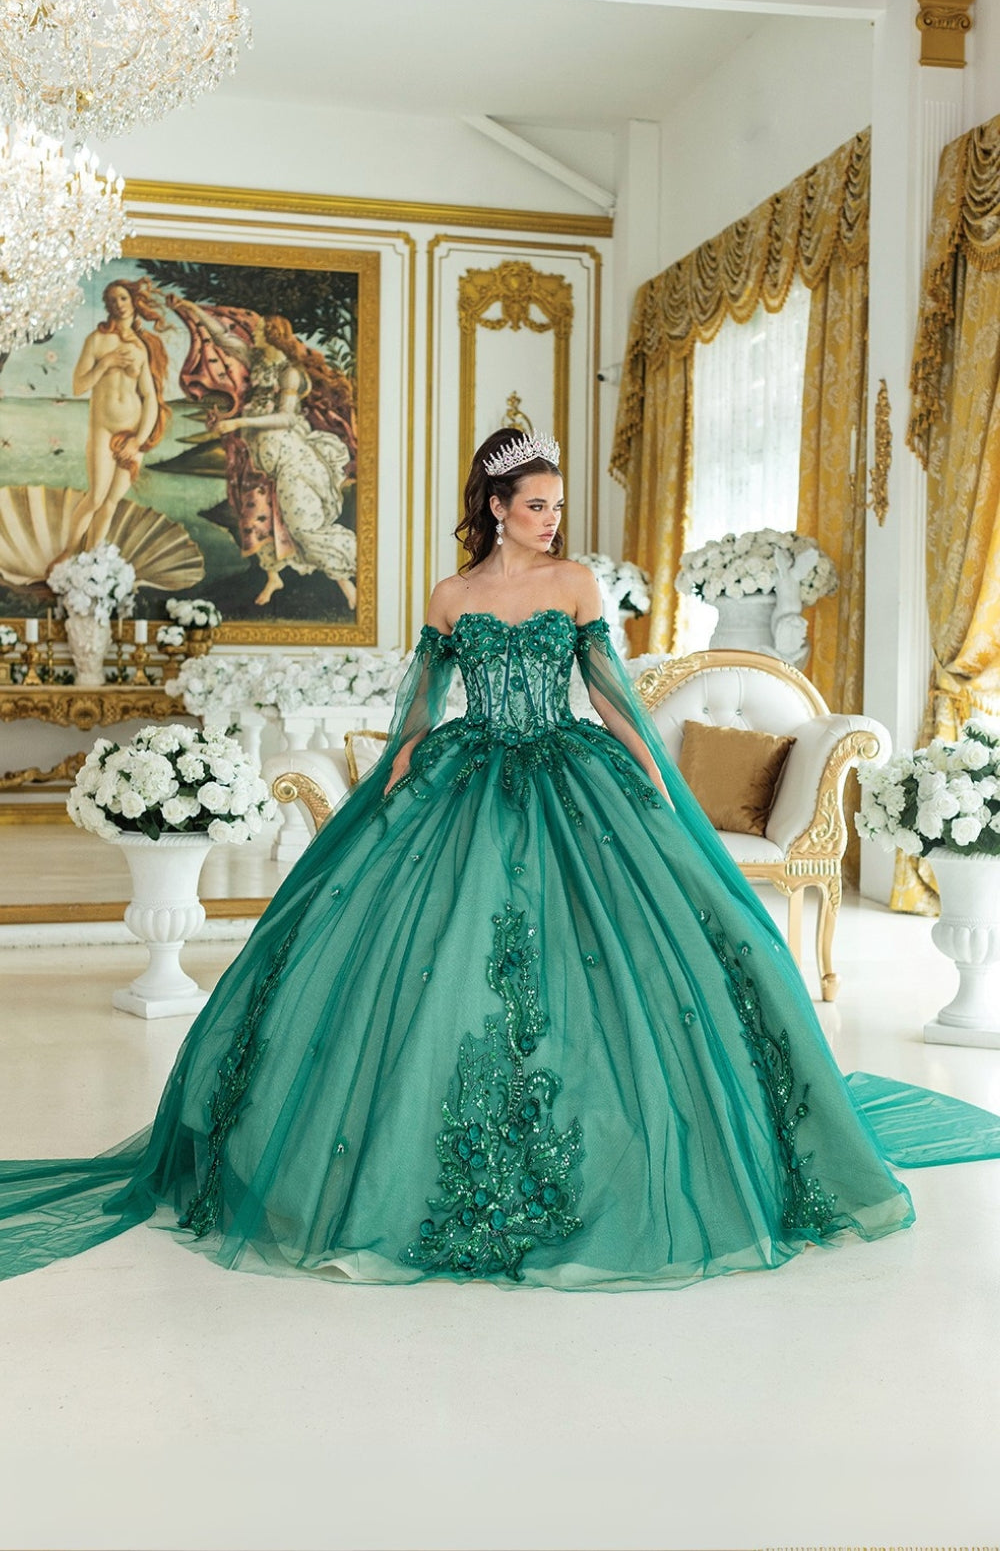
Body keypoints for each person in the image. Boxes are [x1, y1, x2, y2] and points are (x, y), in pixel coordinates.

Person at [2, 428, 999, 1289]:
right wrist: (388, 787)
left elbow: (607, 688)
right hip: (464, 774)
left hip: (573, 774)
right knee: (440, 963)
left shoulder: (573, 584)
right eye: (535, 506)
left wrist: (652, 771)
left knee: (607, 957)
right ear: (494, 506)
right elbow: (421, 707)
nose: (551, 521)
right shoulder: (449, 595)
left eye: (556, 506)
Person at [167, 297, 357, 609]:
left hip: (289, 458)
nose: (253, 334)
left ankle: (346, 585)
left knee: (302, 525)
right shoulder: (258, 361)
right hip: (259, 456)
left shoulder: (289, 373)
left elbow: (285, 418)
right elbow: (222, 338)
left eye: (260, 331)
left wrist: (239, 421)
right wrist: (191, 309)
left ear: (272, 334)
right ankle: (273, 576)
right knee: (255, 514)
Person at [63, 279, 171, 553]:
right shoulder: (97, 341)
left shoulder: (142, 346)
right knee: (96, 497)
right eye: (112, 300)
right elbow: (78, 386)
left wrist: (138, 440)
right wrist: (106, 363)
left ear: (134, 300)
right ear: (107, 306)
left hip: (132, 434)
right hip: (103, 430)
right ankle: (68, 552)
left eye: (123, 298)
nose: (118, 305)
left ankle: (91, 558)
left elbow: (149, 397)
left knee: (111, 501)